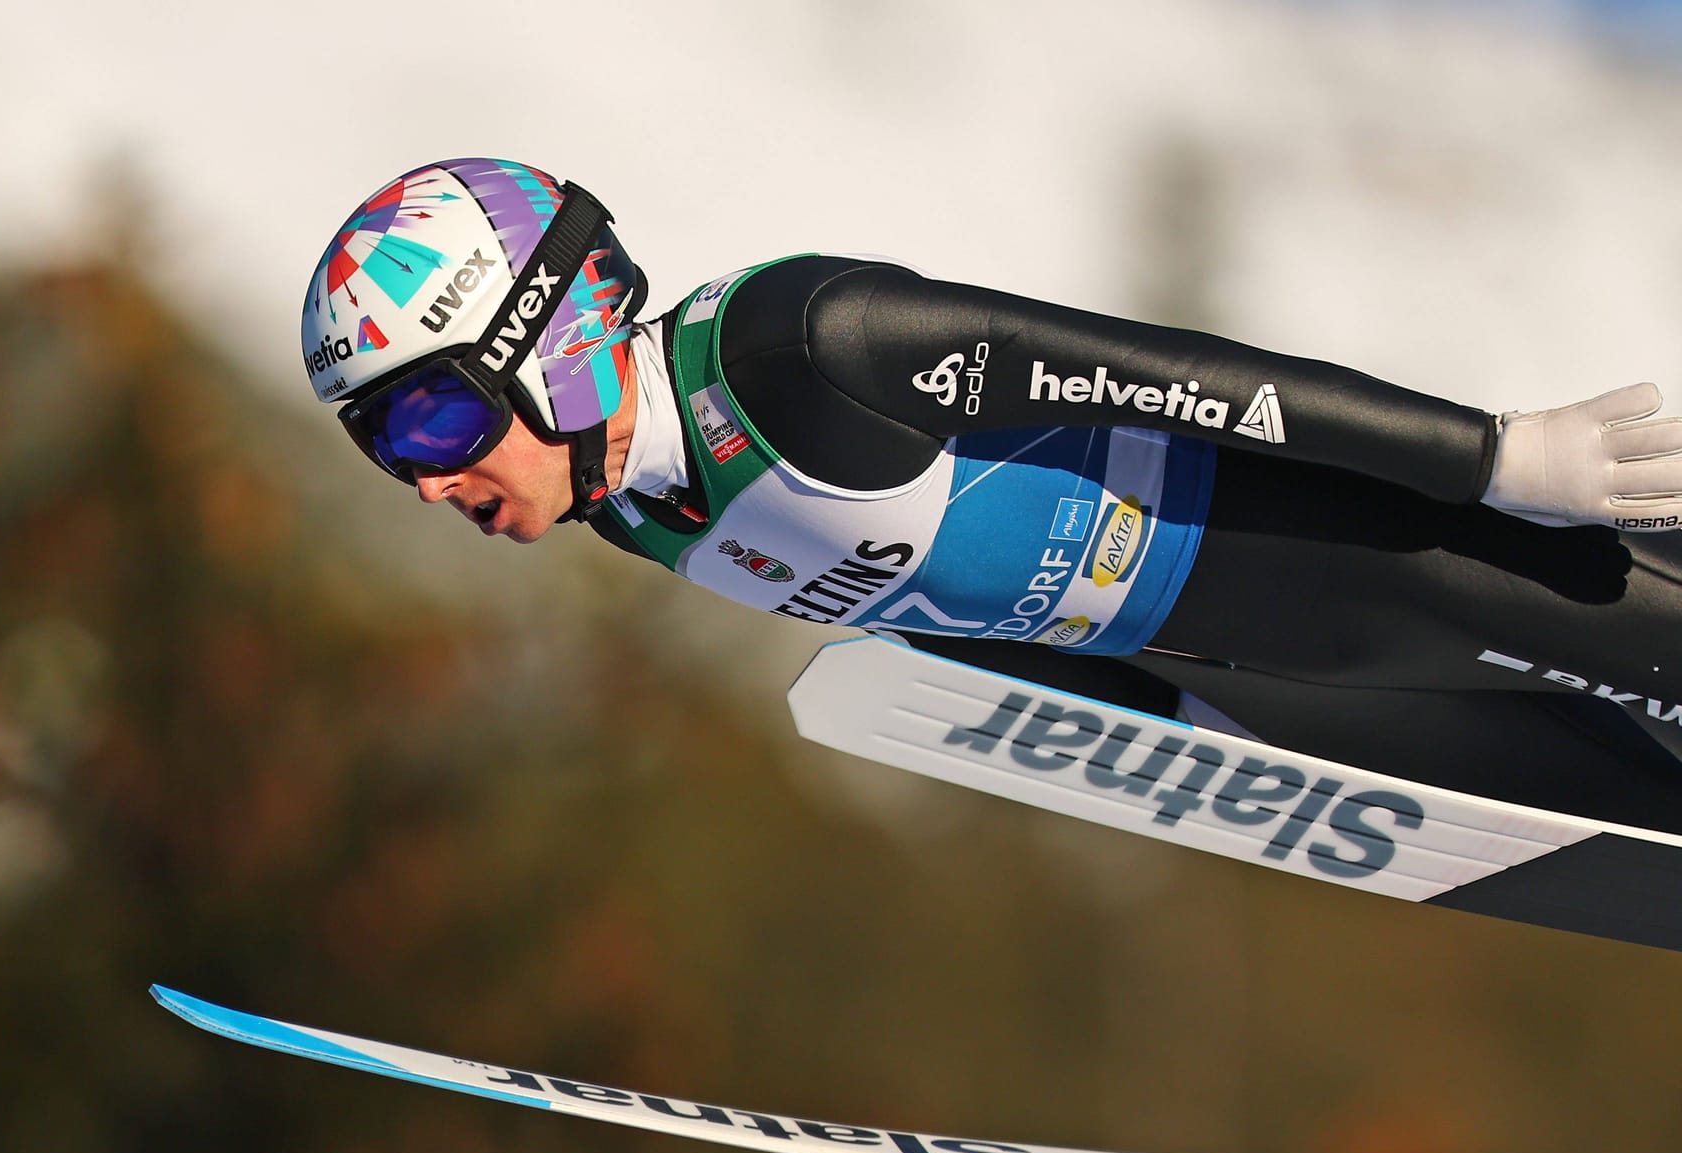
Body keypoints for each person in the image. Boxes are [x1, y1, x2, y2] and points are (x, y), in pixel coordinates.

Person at [300, 158, 1682, 831]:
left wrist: (1490, 458)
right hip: (1280, 682)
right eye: (388, 444)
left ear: (549, 333)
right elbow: (948, 606)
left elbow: (1170, 376)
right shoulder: (642, 511)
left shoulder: (801, 347)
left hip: (1372, 553)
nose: (428, 481)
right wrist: (1172, 733)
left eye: (433, 414)